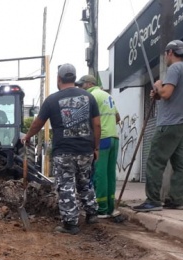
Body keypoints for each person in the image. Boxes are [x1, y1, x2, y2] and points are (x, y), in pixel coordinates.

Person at [22, 63, 101, 235]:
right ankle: (92, 213)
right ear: (74, 78)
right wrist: (96, 147)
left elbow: (38, 123)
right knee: (85, 181)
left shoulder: (52, 100)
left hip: (64, 151)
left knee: (66, 185)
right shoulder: (89, 97)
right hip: (86, 149)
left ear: (59, 79)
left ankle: (71, 224)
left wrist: (27, 136)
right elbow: (97, 124)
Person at [133, 40, 183, 212]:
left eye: (166, 53)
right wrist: (158, 94)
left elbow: (167, 93)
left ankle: (153, 201)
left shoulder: (174, 69)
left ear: (170, 52)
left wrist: (158, 86)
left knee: (155, 160)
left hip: (169, 123)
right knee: (180, 162)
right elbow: (173, 96)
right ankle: (178, 199)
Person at [76, 74, 121, 219]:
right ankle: (110, 207)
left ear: (89, 84)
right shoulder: (107, 96)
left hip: (102, 139)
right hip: (114, 138)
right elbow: (117, 118)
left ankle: (102, 208)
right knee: (109, 174)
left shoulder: (92, 96)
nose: (80, 88)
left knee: (100, 174)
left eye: (81, 85)